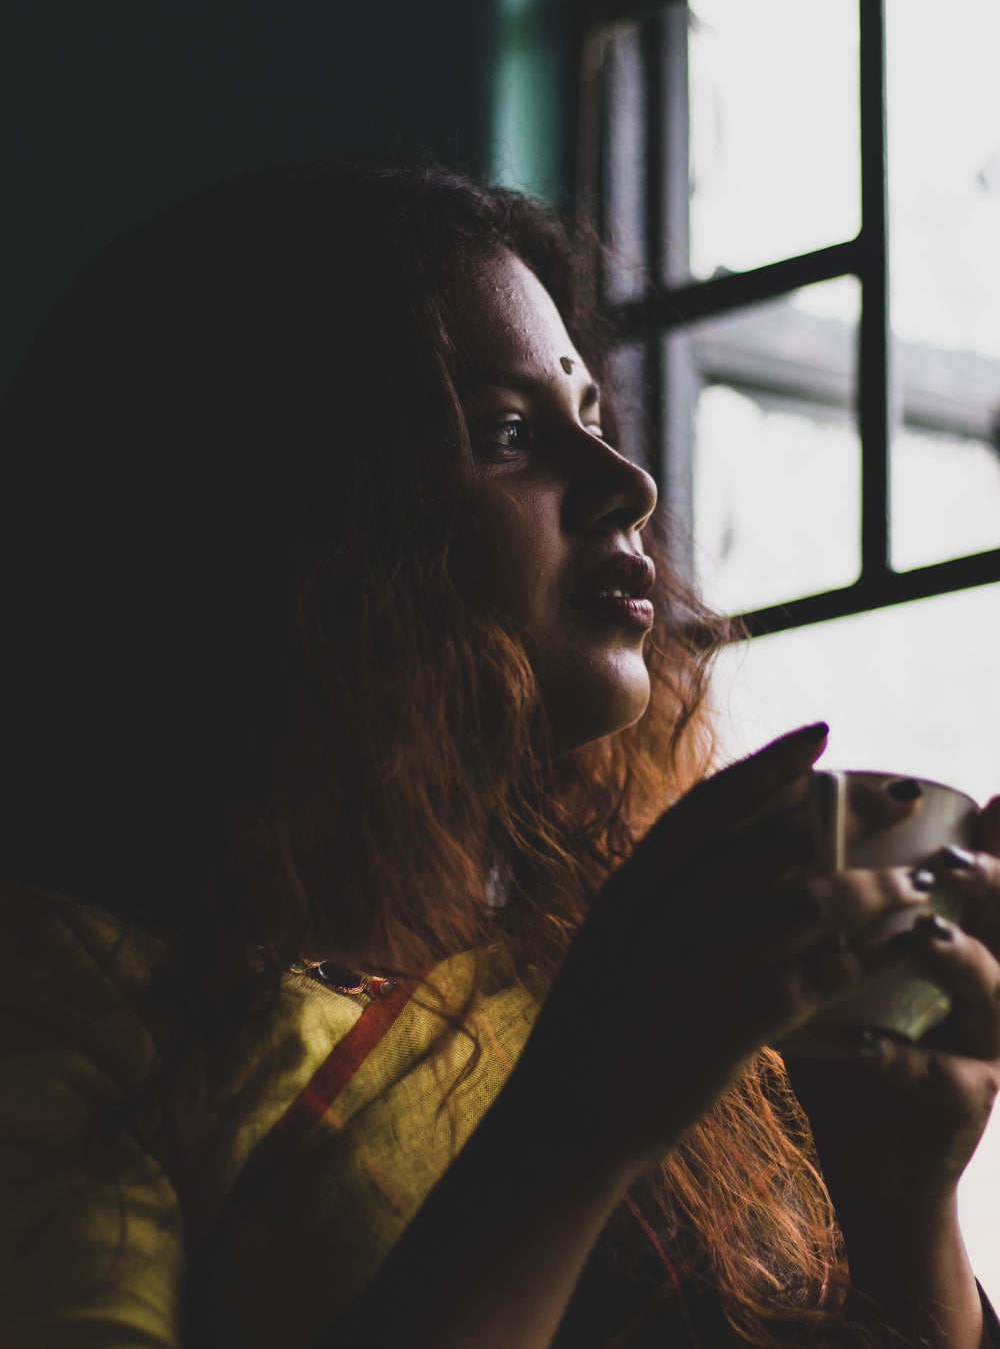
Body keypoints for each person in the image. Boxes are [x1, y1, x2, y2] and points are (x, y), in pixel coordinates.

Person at [0, 157, 998, 1349]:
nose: (628, 485)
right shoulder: (70, 1020)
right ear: (283, 518)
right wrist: (582, 1116)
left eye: (592, 418)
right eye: (510, 434)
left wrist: (902, 1207)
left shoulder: (600, 960)